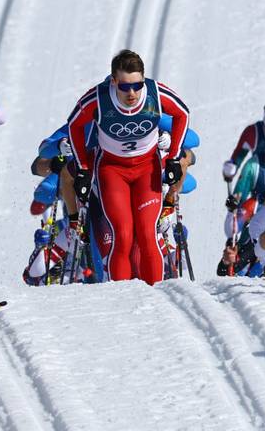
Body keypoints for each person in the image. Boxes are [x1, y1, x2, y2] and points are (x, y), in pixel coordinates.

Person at [66, 50, 189, 285]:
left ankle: (157, 295)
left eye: (137, 85)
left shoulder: (154, 93)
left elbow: (183, 113)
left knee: (147, 233)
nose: (132, 93)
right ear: (114, 82)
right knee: (122, 234)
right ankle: (121, 297)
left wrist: (173, 157)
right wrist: (82, 169)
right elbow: (74, 125)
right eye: (124, 87)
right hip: (113, 170)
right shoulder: (98, 98)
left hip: (147, 168)